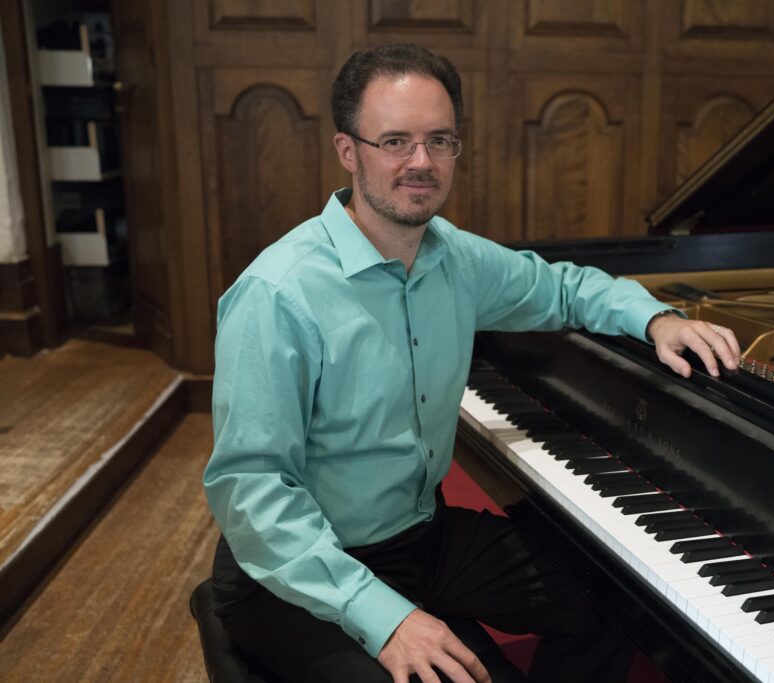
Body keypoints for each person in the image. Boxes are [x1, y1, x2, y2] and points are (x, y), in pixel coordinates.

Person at [204, 43, 740, 683]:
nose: (421, 162)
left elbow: (562, 288)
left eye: (440, 140)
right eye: (395, 141)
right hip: (295, 572)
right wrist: (387, 617)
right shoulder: (278, 294)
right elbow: (252, 492)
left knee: (616, 602)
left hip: (418, 541)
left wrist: (655, 317)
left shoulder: (451, 256)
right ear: (348, 152)